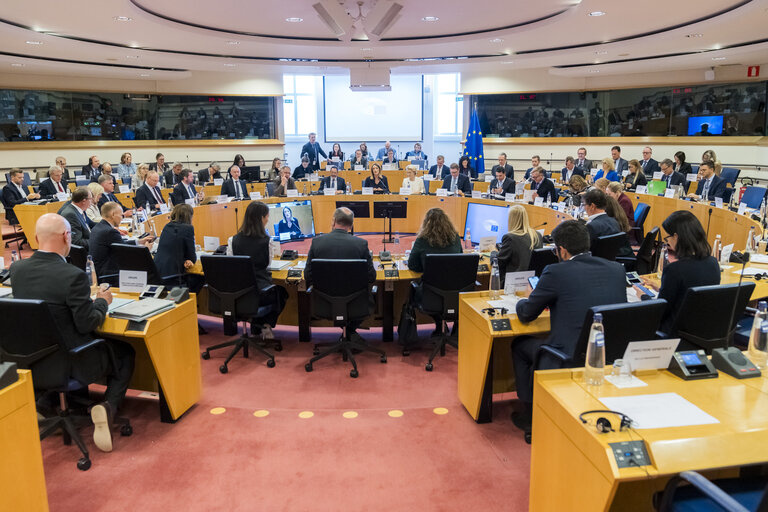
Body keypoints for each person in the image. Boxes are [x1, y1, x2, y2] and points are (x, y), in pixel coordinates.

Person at [10, 213, 136, 453]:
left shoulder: (17, 270)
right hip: (74, 360)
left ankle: (46, 405)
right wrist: (102, 301)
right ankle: (107, 407)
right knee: (126, 352)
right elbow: (88, 323)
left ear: (36, 238)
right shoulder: (73, 275)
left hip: (34, 360)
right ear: (67, 237)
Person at [511, 220, 626, 441]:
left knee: (519, 345)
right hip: (606, 355)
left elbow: (526, 314)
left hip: (567, 356)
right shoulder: (616, 269)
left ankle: (531, 416)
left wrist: (525, 297)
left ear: (562, 250)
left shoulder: (555, 272)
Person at [637, 211, 720, 334]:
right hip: (700, 332)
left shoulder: (674, 270)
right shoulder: (713, 263)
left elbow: (661, 311)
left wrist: (643, 296)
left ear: (676, 237)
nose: (668, 242)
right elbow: (688, 297)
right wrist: (662, 289)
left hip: (672, 334)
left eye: (667, 238)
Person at [304, 207, 376, 338]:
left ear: (333, 221)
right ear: (351, 225)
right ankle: (350, 331)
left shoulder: (317, 243)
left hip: (325, 303)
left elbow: (307, 275)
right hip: (356, 304)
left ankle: (348, 332)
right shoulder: (361, 244)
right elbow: (371, 277)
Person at [227, 201, 288, 338]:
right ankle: (265, 324)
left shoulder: (232, 240)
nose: (268, 219)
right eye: (267, 216)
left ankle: (256, 326)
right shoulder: (267, 241)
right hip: (260, 294)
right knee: (282, 293)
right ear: (261, 218)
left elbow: (231, 263)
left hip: (238, 294)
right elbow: (267, 264)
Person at [407, 207, 463, 335]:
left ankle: (439, 324)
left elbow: (412, 265)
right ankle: (457, 326)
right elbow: (460, 259)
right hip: (455, 291)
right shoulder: (455, 238)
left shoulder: (422, 240)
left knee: (413, 291)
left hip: (430, 294)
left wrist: (425, 266)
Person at [90, 202, 153, 285]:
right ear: (113, 214)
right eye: (121, 215)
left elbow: (121, 244)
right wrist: (145, 250)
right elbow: (125, 255)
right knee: (148, 269)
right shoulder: (110, 231)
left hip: (100, 270)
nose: (122, 218)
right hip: (110, 274)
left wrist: (139, 242)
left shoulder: (98, 227)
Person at [154, 204, 203, 293]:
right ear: (189, 216)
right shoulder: (188, 228)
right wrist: (187, 259)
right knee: (201, 278)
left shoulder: (167, 226)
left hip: (158, 274)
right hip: (174, 278)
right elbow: (192, 257)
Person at [497, 205, 543, 286]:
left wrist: (493, 251)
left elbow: (498, 262)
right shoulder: (537, 235)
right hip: (532, 283)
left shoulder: (510, 237)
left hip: (513, 283)